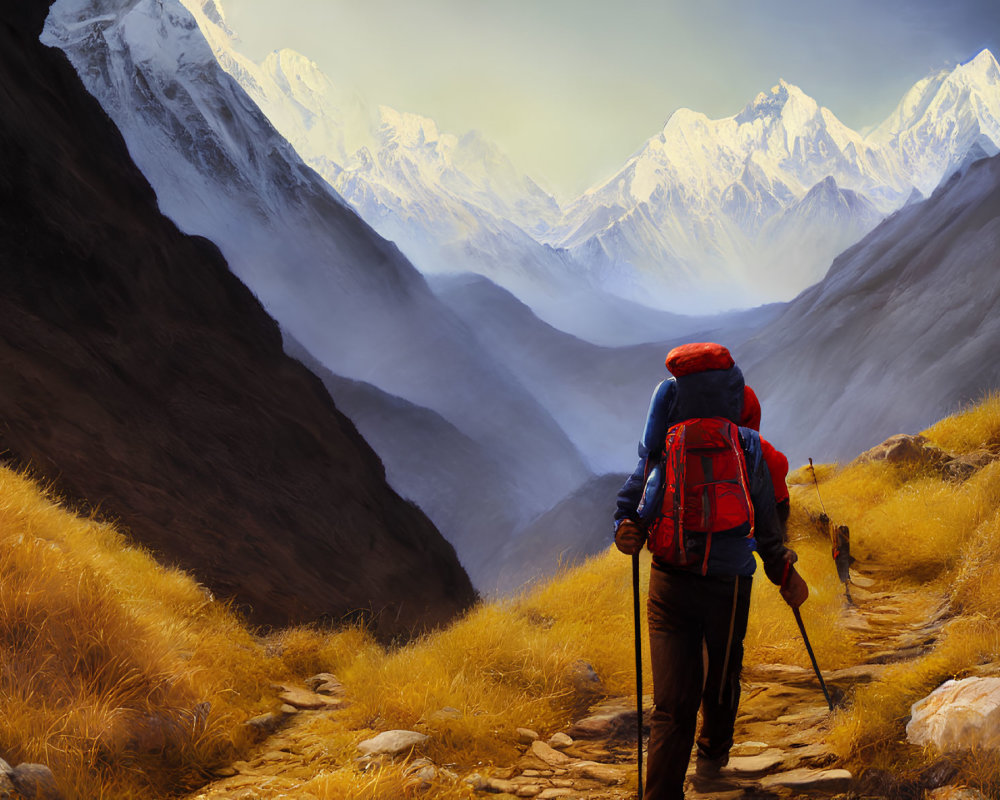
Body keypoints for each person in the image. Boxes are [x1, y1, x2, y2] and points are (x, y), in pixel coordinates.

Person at [614, 342, 807, 800]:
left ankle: (660, 793)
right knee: (721, 677)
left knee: (670, 706)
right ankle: (713, 756)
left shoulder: (667, 440)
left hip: (668, 579)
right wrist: (786, 576)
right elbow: (766, 528)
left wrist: (625, 523)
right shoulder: (750, 447)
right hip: (729, 585)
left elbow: (638, 488)